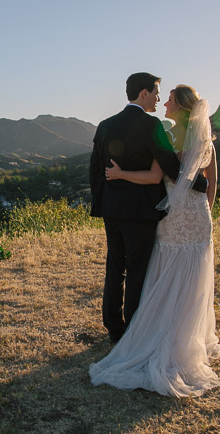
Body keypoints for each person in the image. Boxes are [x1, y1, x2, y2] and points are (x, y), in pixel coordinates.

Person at [89, 84, 220, 397]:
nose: (163, 101)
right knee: (193, 278)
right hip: (199, 218)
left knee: (166, 274)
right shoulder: (207, 139)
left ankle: (157, 334)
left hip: (174, 216)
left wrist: (121, 174)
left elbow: (155, 178)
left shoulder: (168, 136)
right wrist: (203, 215)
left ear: (179, 106)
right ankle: (188, 338)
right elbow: (212, 185)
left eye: (168, 98)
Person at [89, 73, 207, 344]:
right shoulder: (151, 124)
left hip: (111, 209)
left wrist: (101, 201)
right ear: (143, 93)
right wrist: (200, 183)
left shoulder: (105, 125)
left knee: (115, 266)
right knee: (138, 269)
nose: (157, 98)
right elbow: (170, 164)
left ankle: (112, 327)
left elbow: (95, 169)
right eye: (155, 92)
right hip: (140, 210)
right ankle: (133, 328)